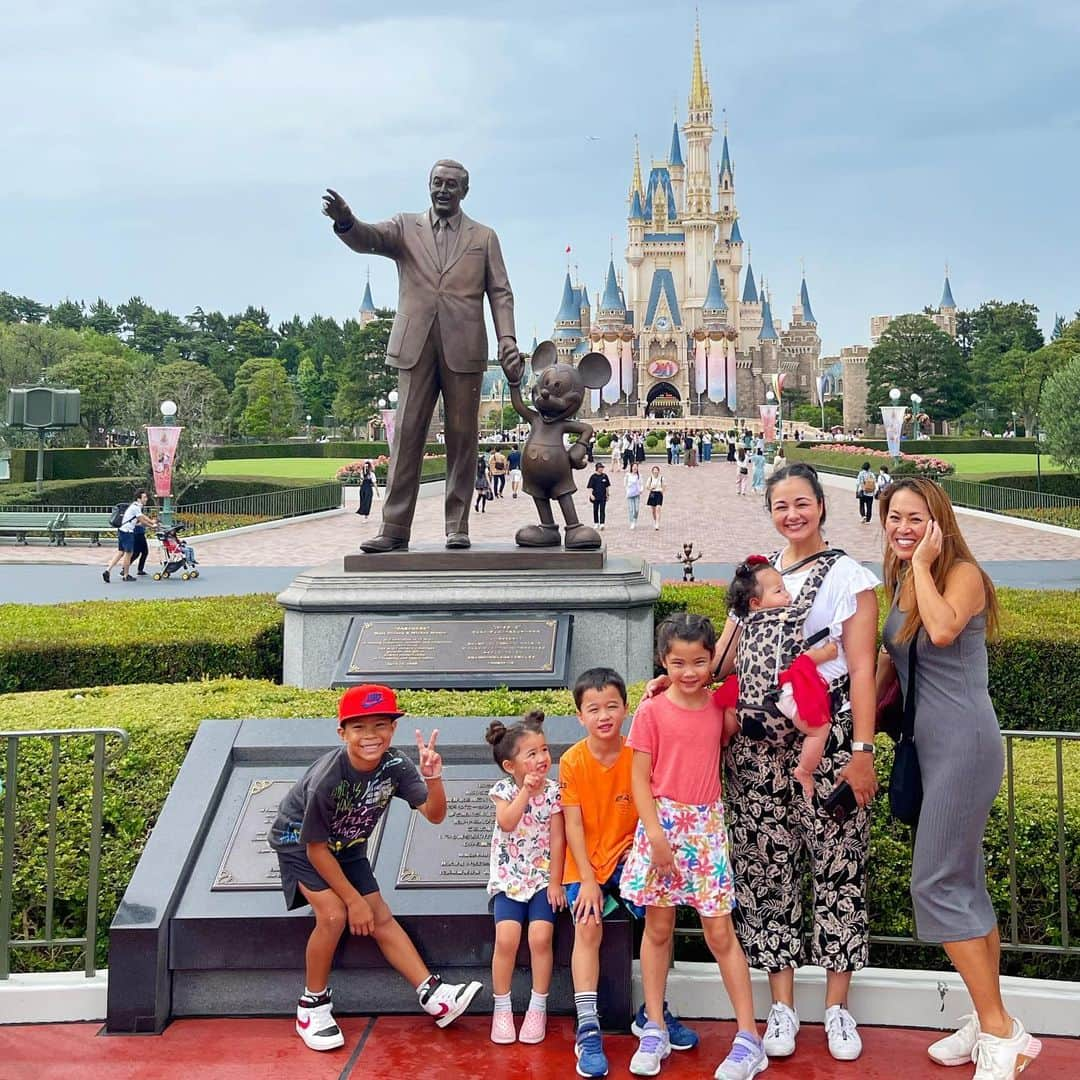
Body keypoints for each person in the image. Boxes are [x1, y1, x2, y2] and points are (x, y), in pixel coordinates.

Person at [878, 478, 1041, 1079]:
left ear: (938, 521)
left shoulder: (962, 574)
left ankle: (1003, 1034)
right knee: (964, 881)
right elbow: (888, 659)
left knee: (936, 882)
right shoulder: (898, 580)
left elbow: (942, 630)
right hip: (928, 747)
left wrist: (921, 563)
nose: (902, 528)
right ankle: (985, 1017)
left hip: (966, 746)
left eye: (915, 518)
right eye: (894, 517)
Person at [717, 463, 879, 1065]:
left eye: (802, 503)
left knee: (838, 866)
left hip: (825, 738)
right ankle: (781, 1006)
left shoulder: (847, 577)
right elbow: (726, 661)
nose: (793, 514)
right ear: (770, 511)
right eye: (781, 505)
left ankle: (837, 1007)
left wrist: (862, 751)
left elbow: (862, 668)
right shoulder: (757, 577)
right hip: (757, 751)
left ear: (821, 506)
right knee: (766, 870)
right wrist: (672, 682)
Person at [268, 684, 481, 1051]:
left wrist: (433, 777)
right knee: (333, 914)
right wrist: (353, 901)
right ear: (342, 732)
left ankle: (434, 995)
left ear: (393, 729)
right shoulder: (328, 780)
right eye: (359, 728)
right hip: (300, 844)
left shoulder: (396, 765)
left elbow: (433, 815)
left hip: (348, 846)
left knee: (379, 913)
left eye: (381, 725)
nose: (371, 736)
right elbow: (316, 849)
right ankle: (312, 1005)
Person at [323, 160, 519, 552]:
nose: (443, 190)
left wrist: (508, 338)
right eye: (437, 183)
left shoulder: (484, 237)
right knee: (407, 437)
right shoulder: (404, 227)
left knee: (463, 440)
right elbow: (368, 238)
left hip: (465, 348)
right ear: (428, 186)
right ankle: (394, 528)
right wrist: (346, 222)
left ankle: (457, 525)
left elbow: (500, 292)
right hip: (415, 346)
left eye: (451, 185)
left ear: (465, 191)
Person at [622, 615, 765, 1079]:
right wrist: (657, 838)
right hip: (661, 824)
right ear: (663, 660)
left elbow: (744, 676)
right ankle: (655, 1026)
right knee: (658, 930)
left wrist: (737, 617)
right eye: (677, 662)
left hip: (705, 826)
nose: (688, 671)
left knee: (720, 934)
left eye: (698, 662)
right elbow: (639, 779)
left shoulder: (719, 706)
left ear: (710, 662)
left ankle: (748, 1038)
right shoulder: (651, 711)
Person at [561, 668, 699, 1078]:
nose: (603, 715)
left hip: (629, 859)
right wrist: (586, 879)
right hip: (585, 863)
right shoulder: (572, 761)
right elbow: (571, 825)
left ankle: (653, 1011)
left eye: (612, 706)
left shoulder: (636, 752)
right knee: (588, 924)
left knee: (662, 916)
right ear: (579, 716)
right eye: (593, 709)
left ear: (625, 709)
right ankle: (588, 1026)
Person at [725, 556, 839, 800]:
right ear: (756, 602)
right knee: (819, 729)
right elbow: (799, 661)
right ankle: (805, 770)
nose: (787, 596)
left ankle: (722, 741)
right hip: (779, 698)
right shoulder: (783, 623)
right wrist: (826, 653)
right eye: (779, 591)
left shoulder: (746, 624)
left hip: (747, 704)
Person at [485, 713, 566, 1046]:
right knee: (506, 939)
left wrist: (557, 882)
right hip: (509, 878)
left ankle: (537, 1005)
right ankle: (502, 1007)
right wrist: (525, 794)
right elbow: (506, 822)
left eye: (544, 750)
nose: (541, 759)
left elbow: (559, 839)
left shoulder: (554, 792)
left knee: (540, 938)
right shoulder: (503, 790)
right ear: (510, 765)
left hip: (543, 878)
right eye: (531, 754)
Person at [103, 490, 155, 583]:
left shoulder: (135, 506)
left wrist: (151, 522)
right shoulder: (136, 507)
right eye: (144, 497)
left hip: (122, 530)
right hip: (127, 532)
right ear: (139, 499)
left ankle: (108, 570)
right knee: (128, 554)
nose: (146, 499)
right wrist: (152, 526)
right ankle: (126, 575)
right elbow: (141, 520)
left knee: (120, 552)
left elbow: (142, 517)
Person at [587, 462, 610, 530]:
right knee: (595, 510)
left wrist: (607, 495)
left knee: (602, 510)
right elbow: (590, 487)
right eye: (600, 468)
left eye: (602, 468)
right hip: (595, 496)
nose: (601, 469)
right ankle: (596, 522)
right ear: (597, 468)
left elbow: (607, 486)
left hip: (603, 496)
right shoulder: (593, 477)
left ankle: (602, 523)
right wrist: (591, 495)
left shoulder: (604, 476)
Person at [624, 461, 643, 530]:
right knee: (631, 509)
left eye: (636, 467)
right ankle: (632, 522)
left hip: (637, 494)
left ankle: (635, 519)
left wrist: (641, 490)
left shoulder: (639, 475)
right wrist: (627, 490)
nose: (635, 468)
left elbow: (641, 483)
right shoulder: (628, 475)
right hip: (630, 494)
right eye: (633, 467)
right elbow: (625, 483)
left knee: (637, 509)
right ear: (631, 468)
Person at [645, 465, 664, 530]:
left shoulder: (661, 478)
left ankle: (657, 523)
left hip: (659, 493)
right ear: (652, 472)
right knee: (653, 510)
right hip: (652, 493)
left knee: (658, 508)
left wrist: (662, 490)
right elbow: (647, 486)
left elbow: (664, 486)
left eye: (657, 471)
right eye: (654, 471)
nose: (655, 472)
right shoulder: (650, 478)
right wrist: (650, 488)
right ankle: (655, 520)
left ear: (659, 471)